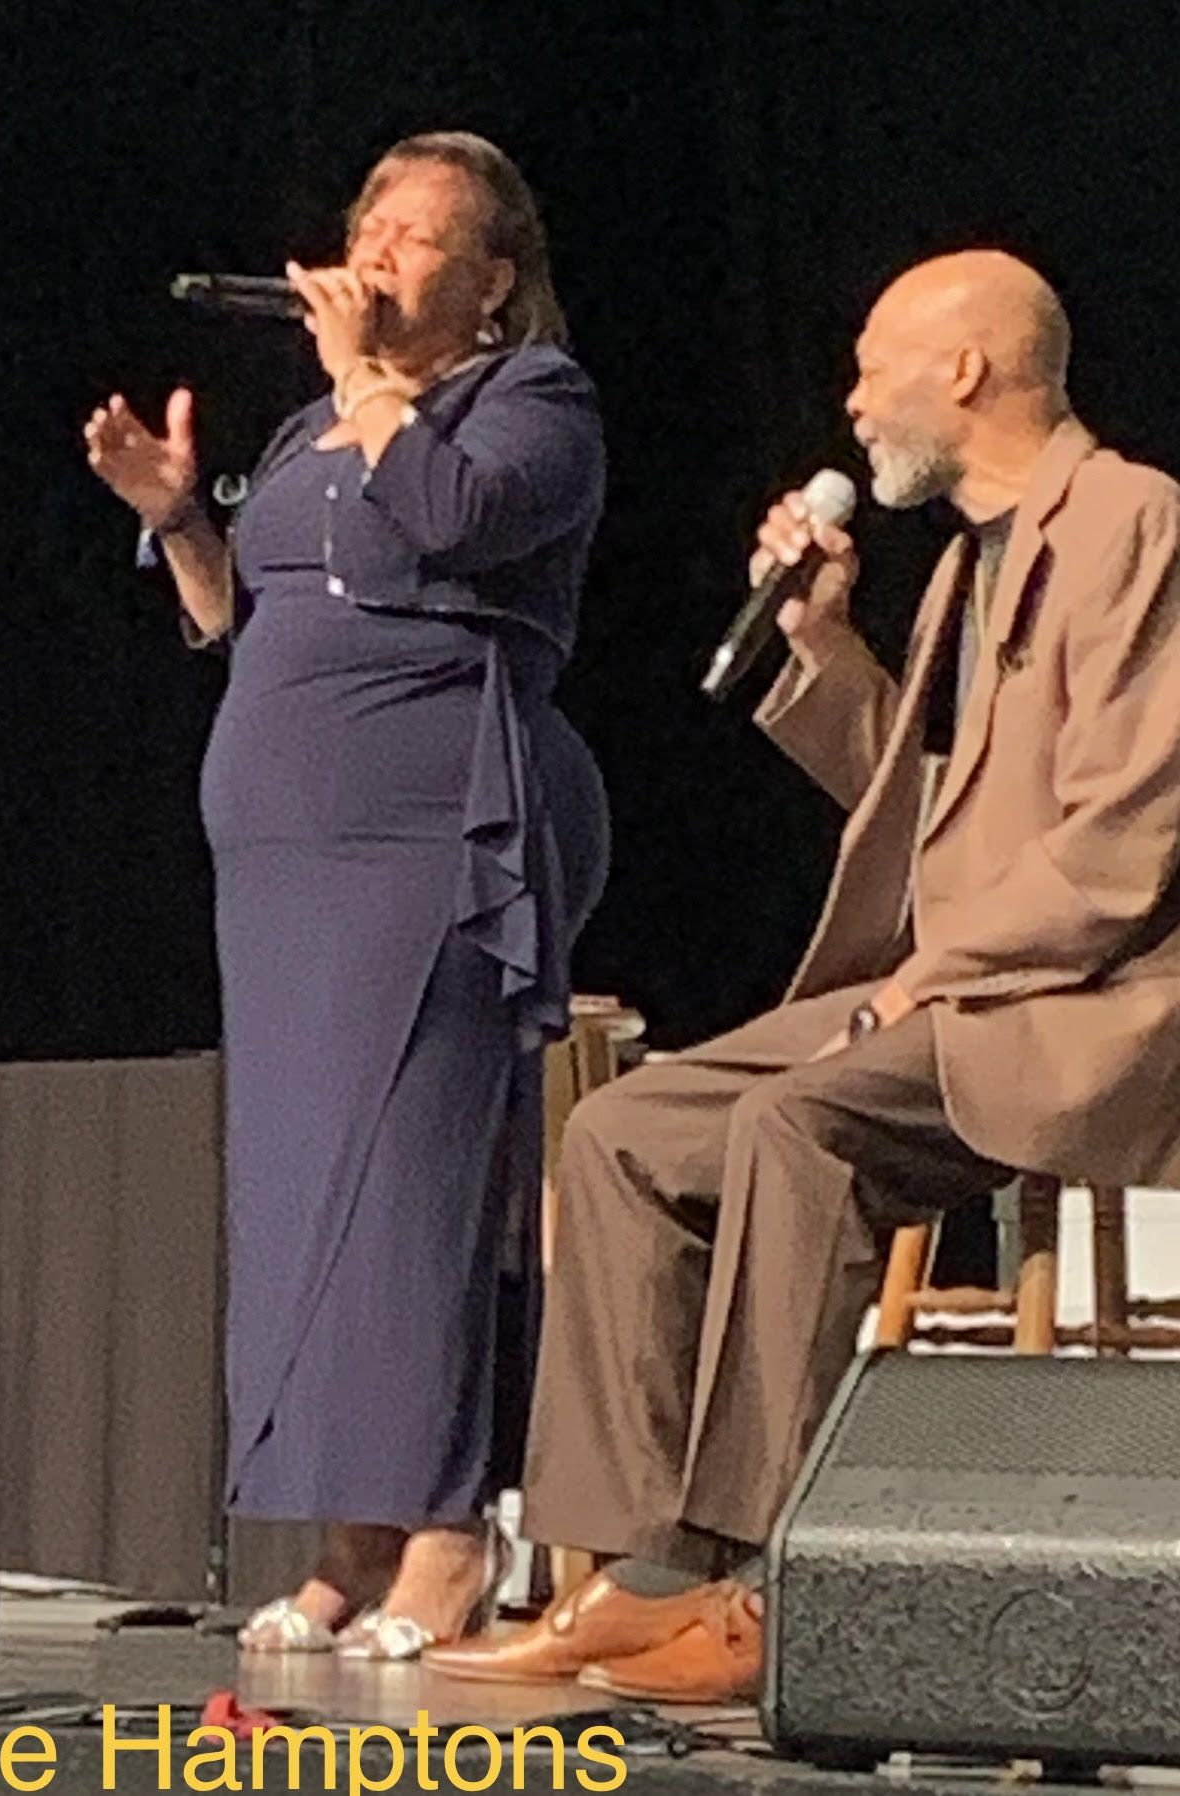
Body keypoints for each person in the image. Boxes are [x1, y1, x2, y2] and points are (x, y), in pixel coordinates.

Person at [425, 250, 1180, 1699]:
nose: (853, 399)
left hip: (1086, 1007)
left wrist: (926, 979)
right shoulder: (964, 562)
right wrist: (822, 645)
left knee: (801, 1123)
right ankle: (629, 1570)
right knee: (627, 1131)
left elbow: (1123, 843)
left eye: (875, 364)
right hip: (963, 992)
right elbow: (922, 814)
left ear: (966, 369)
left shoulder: (1130, 520)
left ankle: (773, 1583)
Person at [85, 132, 610, 1659]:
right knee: (307, 1188)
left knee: (416, 1177)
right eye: (367, 225)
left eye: (415, 235)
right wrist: (179, 519)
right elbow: (240, 623)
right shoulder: (317, 420)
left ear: (493, 281)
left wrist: (373, 382)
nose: (373, 253)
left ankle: (447, 1537)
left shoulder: (534, 401)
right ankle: (347, 1540)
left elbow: (450, 521)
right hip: (287, 849)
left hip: (435, 822)